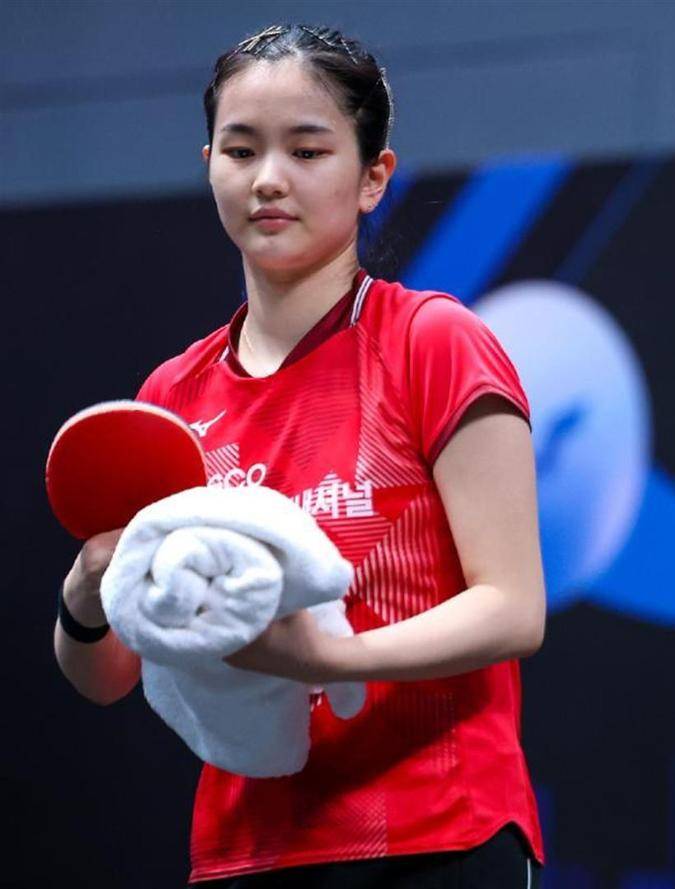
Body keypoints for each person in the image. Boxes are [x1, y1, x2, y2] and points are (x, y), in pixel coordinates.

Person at [53, 24, 546, 888]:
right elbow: (109, 675)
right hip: (246, 850)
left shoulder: (434, 341)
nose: (269, 178)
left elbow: (512, 609)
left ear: (373, 177)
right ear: (210, 164)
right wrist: (86, 595)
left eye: (308, 150)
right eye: (241, 150)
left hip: (437, 834)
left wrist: (324, 659)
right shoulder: (171, 394)